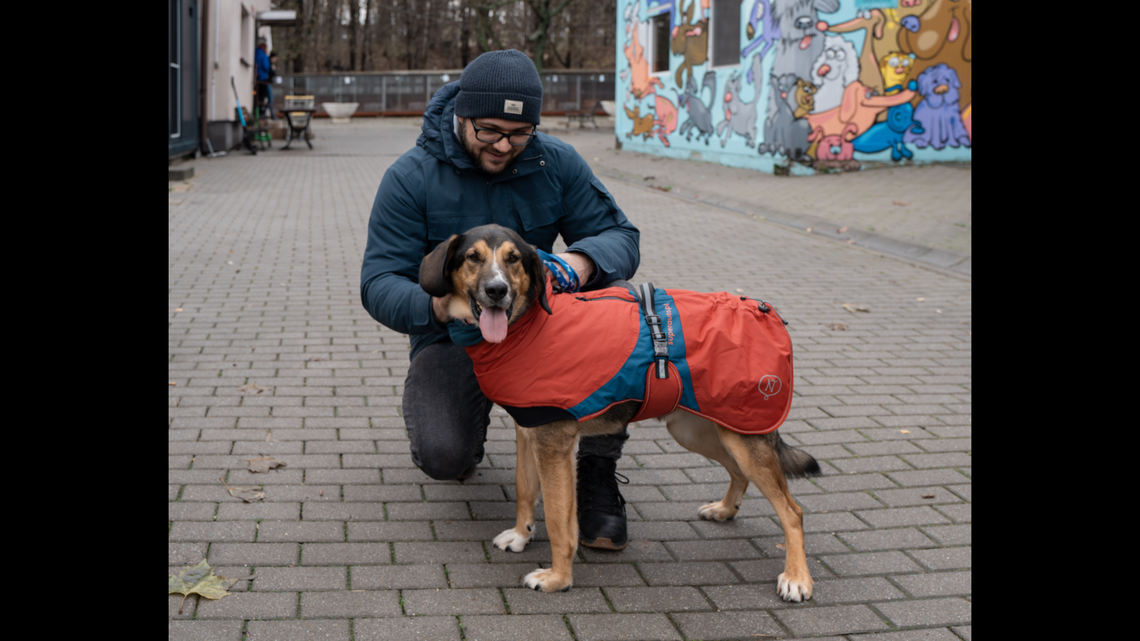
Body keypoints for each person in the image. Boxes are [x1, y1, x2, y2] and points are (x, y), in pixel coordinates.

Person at [360, 49, 641, 550]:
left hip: (538, 330)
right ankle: (479, 428)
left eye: (519, 132)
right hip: (453, 337)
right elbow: (379, 281)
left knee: (613, 300)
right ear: (460, 116)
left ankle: (596, 473)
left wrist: (578, 264)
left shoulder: (555, 162)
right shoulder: (411, 177)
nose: (504, 145)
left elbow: (619, 235)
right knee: (445, 456)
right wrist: (441, 307)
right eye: (489, 130)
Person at [254, 38, 271, 119]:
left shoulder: (255, 53)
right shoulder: (263, 55)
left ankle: (257, 111)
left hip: (257, 77)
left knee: (258, 96)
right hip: (263, 78)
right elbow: (266, 66)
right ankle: (262, 112)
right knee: (265, 96)